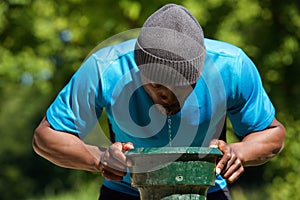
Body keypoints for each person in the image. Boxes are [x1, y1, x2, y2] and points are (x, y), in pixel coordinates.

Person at [32, 4, 286, 200]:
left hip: (207, 191)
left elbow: (272, 134)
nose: (169, 97)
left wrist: (238, 152)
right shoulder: (104, 68)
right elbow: (46, 136)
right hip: (126, 192)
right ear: (138, 67)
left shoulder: (232, 66)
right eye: (157, 86)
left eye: (184, 87)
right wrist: (99, 158)